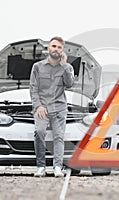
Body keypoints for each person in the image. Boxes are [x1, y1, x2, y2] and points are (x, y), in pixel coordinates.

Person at [29, 36, 74, 177]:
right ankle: (41, 167)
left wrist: (65, 66)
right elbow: (33, 88)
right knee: (39, 133)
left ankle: (57, 167)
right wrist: (38, 106)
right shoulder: (37, 67)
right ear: (48, 48)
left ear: (62, 51)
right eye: (54, 46)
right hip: (42, 108)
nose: (56, 49)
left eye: (59, 47)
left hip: (59, 108)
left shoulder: (67, 67)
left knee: (59, 137)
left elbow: (69, 84)